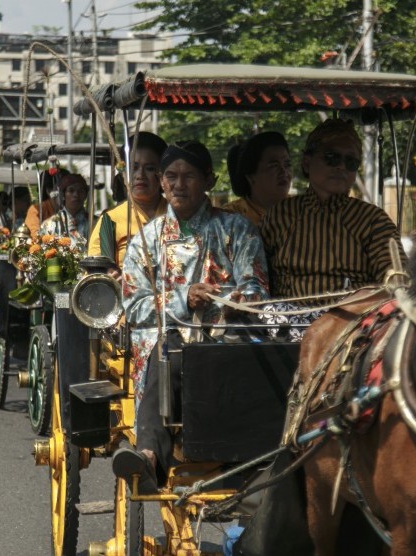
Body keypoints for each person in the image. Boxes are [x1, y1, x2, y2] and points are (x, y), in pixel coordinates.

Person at [113, 140, 270, 493]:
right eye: (171, 176)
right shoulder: (145, 241)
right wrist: (185, 298)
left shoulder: (236, 229)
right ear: (162, 183)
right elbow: (133, 307)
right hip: (168, 347)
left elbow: (257, 291)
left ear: (208, 180)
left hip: (227, 341)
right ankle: (149, 456)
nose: (179, 185)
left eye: (189, 176)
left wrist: (225, 300)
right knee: (167, 353)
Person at [260, 118, 405, 301]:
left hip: (353, 324)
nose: (341, 167)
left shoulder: (373, 221)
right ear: (307, 163)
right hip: (286, 323)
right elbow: (254, 277)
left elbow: (395, 277)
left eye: (350, 162)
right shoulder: (279, 216)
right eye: (332, 158)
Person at [88, 131, 169, 276]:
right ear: (123, 172)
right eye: (134, 167)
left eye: (150, 168)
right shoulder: (110, 220)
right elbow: (95, 276)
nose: (140, 176)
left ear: (162, 173)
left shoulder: (177, 215)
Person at [223, 131, 292, 225]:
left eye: (287, 164)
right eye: (273, 166)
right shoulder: (228, 219)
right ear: (250, 176)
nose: (284, 172)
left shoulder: (302, 210)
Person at [38, 173, 90, 247]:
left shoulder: (94, 223)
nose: (76, 195)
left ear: (85, 195)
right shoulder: (50, 224)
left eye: (80, 191)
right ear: (63, 195)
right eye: (71, 191)